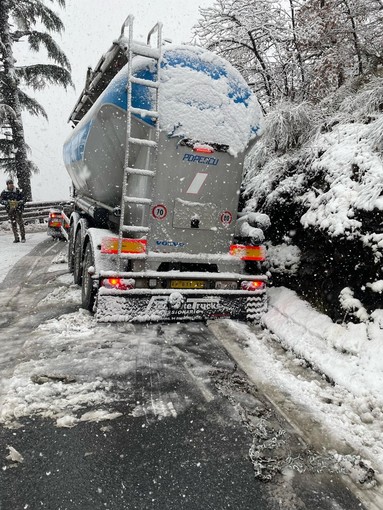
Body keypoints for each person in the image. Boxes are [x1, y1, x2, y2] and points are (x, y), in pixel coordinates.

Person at [0, 178, 26, 243]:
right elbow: (1, 200)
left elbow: (24, 199)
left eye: (12, 183)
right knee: (13, 224)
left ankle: (23, 237)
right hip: (10, 210)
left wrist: (19, 202)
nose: (11, 185)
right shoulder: (4, 192)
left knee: (20, 223)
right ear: (7, 185)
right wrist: (7, 202)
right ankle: (16, 238)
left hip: (18, 209)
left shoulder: (17, 191)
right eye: (9, 184)